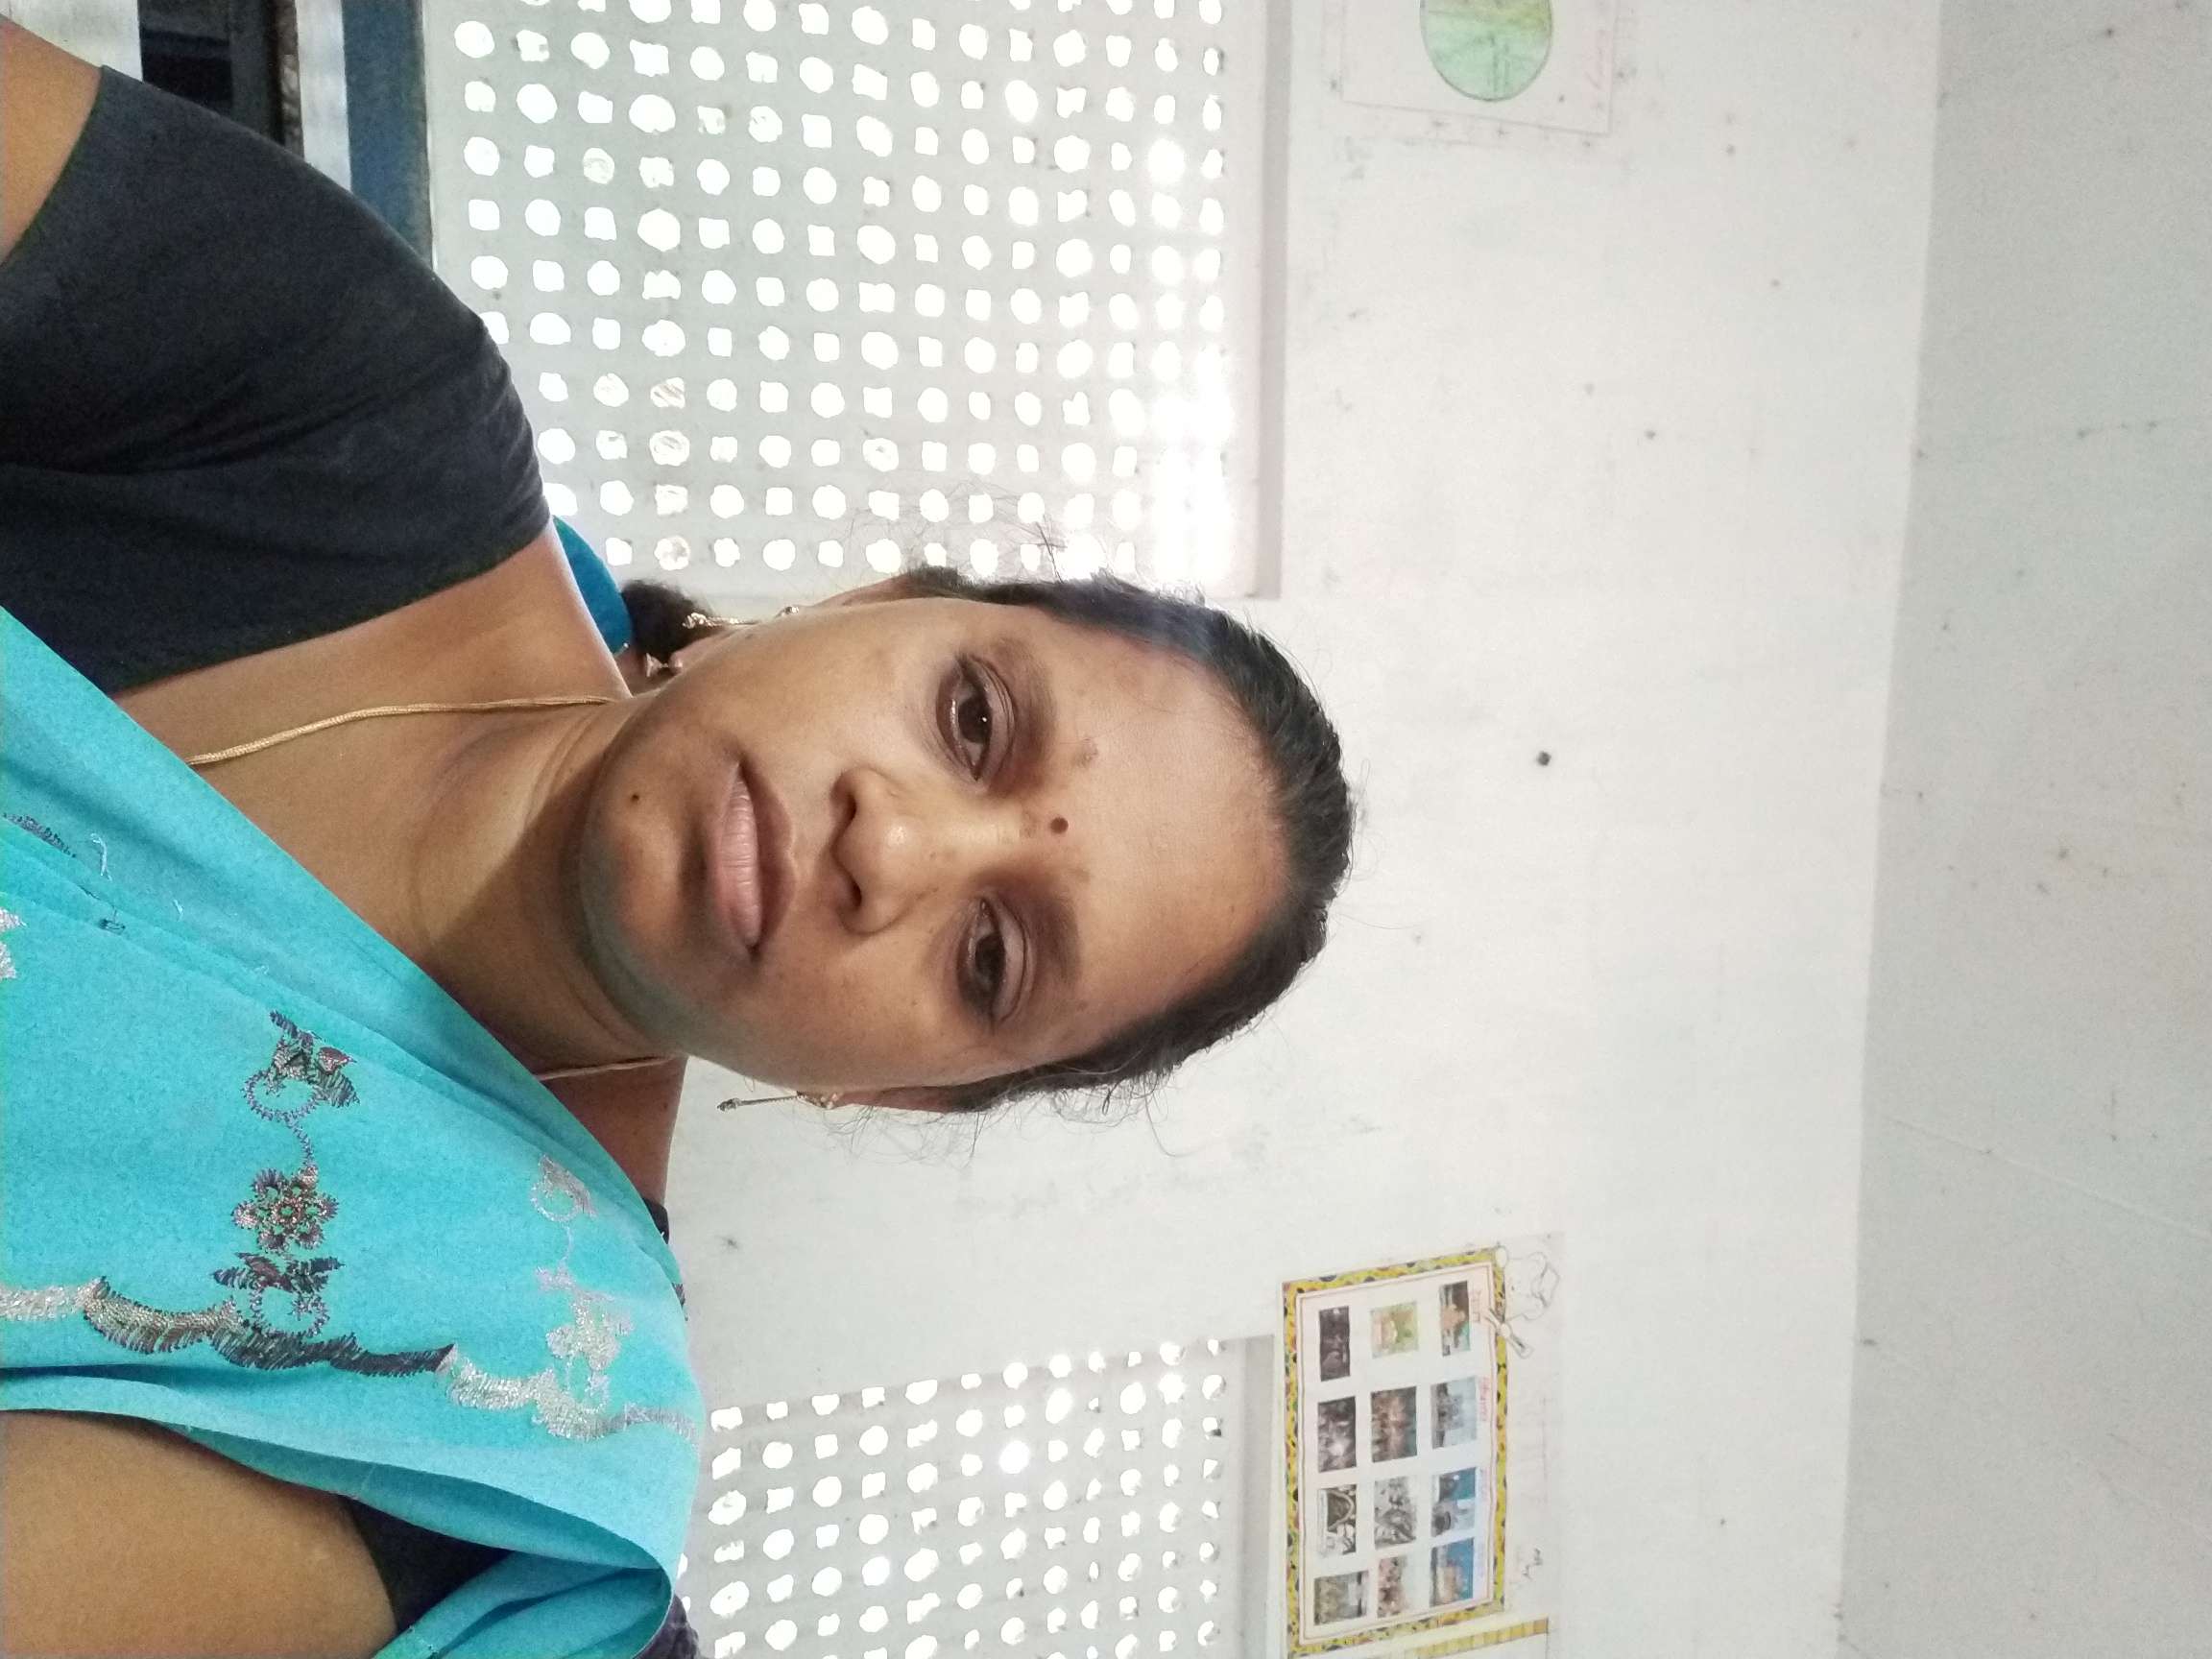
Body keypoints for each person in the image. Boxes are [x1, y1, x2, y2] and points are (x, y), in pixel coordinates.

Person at [0, 22, 1354, 1659]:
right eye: (972, 718)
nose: (893, 848)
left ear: (897, 1094)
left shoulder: (500, 1396)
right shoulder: (342, 413)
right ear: (866, 601)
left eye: (992, 957)